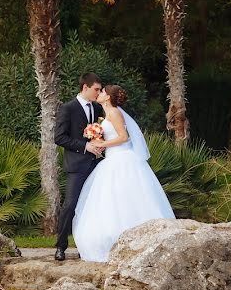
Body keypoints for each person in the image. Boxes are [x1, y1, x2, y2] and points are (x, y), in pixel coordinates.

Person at [72, 85, 175, 262]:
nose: (100, 93)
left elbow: (123, 137)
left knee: (125, 198)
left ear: (108, 97)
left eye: (102, 91)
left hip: (123, 160)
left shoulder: (114, 113)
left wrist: (102, 145)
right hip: (112, 160)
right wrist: (97, 138)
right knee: (110, 200)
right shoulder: (107, 114)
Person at [53, 73, 105, 261]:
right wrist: (85, 146)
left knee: (96, 205)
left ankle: (91, 247)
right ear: (85, 88)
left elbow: (101, 132)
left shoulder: (98, 108)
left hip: (96, 164)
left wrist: (99, 145)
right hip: (76, 165)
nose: (98, 93)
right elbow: (59, 137)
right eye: (96, 89)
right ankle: (61, 246)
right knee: (70, 205)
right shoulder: (68, 108)